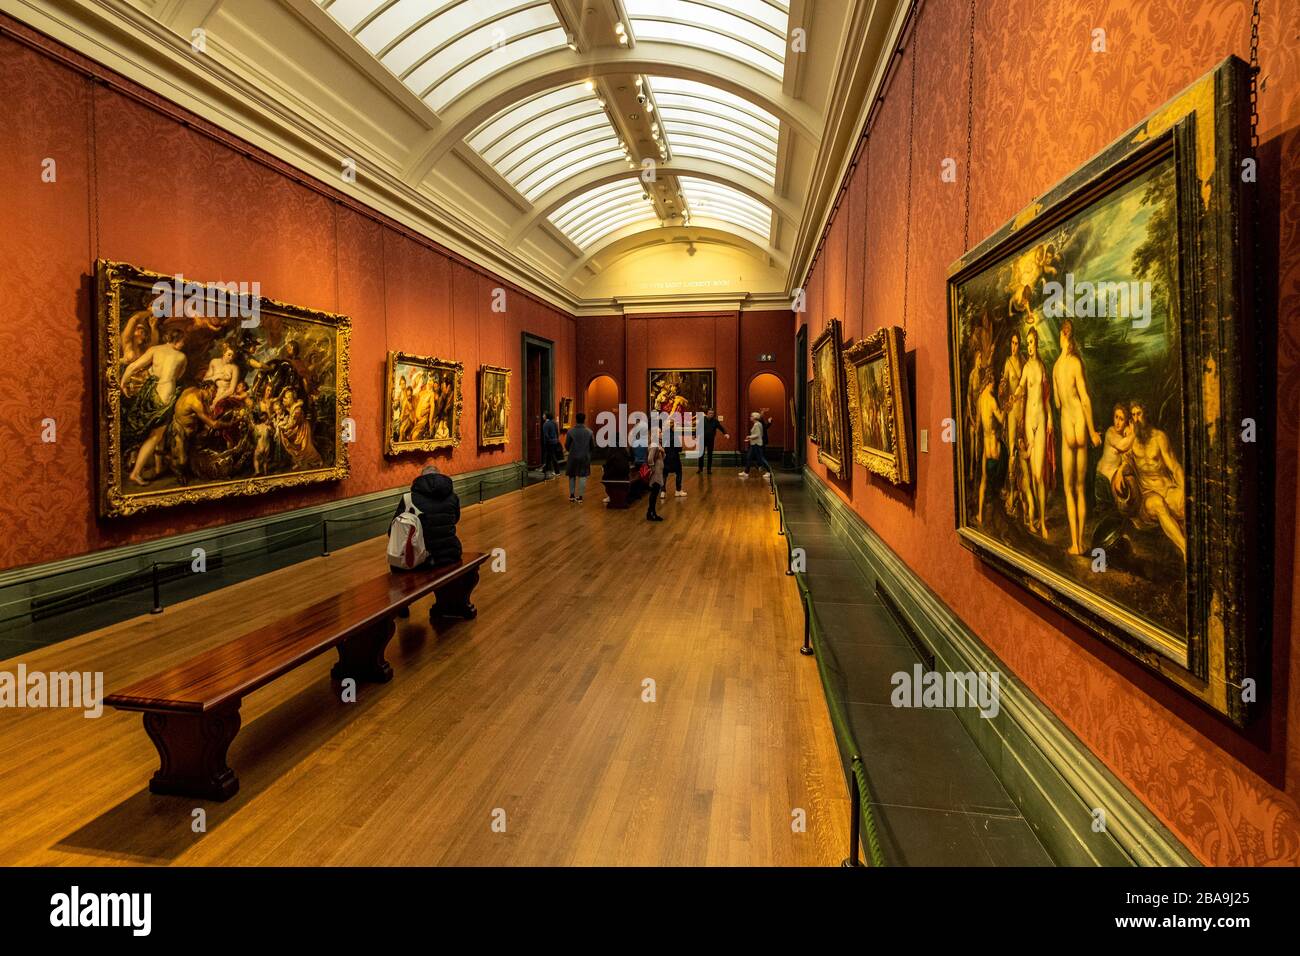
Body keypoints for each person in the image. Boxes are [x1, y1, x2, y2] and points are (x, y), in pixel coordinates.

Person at [565, 412, 594, 502]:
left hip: (573, 456)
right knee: (583, 476)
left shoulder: (570, 431)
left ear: (575, 419)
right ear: (584, 420)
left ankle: (572, 495)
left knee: (572, 475)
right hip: (584, 457)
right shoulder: (589, 432)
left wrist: (572, 451)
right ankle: (580, 497)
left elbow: (567, 445)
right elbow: (592, 446)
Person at [739, 412, 769, 479]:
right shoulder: (757, 424)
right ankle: (746, 472)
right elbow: (758, 435)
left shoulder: (757, 425)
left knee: (761, 458)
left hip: (757, 444)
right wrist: (749, 439)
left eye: (751, 416)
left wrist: (749, 437)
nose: (750, 417)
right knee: (749, 457)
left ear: (755, 417)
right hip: (754, 444)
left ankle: (769, 472)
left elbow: (758, 435)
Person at [698, 408, 728, 473]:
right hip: (702, 440)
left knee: (710, 455)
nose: (711, 415)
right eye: (710, 413)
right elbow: (698, 428)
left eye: (712, 413)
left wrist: (725, 433)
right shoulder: (702, 420)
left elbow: (721, 427)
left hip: (710, 440)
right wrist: (694, 435)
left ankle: (709, 469)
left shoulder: (715, 421)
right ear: (707, 413)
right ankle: (700, 469)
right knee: (701, 455)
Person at [662, 420, 686, 498]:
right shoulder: (674, 435)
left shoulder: (663, 434)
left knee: (664, 474)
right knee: (679, 472)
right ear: (672, 426)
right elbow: (679, 449)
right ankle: (678, 491)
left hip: (666, 457)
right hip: (674, 457)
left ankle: (662, 492)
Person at [645, 439, 665, 521]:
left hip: (658, 472)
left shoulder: (658, 444)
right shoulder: (654, 445)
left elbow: (662, 459)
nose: (661, 433)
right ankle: (651, 513)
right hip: (656, 473)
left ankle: (650, 512)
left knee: (655, 493)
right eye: (659, 432)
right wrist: (652, 469)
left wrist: (662, 451)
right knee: (654, 493)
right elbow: (650, 459)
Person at [541, 412, 561, 479]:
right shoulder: (554, 422)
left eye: (543, 415)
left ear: (546, 416)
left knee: (552, 456)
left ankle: (557, 472)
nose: (542, 416)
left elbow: (546, 435)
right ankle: (544, 470)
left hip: (549, 443)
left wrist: (548, 441)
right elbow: (557, 432)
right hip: (555, 442)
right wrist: (557, 440)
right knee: (548, 456)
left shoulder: (545, 424)